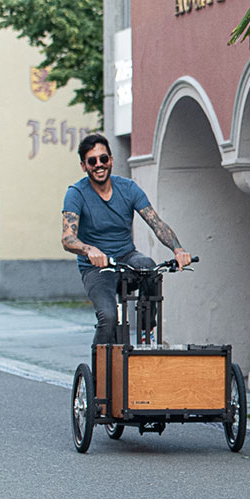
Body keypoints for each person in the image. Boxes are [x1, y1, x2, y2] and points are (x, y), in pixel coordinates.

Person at [61, 133, 192, 345]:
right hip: (95, 268)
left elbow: (156, 223)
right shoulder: (76, 193)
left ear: (111, 160)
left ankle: (145, 331)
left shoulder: (128, 188)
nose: (99, 165)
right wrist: (88, 250)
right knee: (108, 317)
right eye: (92, 161)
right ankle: (100, 371)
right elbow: (68, 238)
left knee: (149, 268)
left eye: (103, 159)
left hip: (126, 257)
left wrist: (177, 249)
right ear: (84, 166)